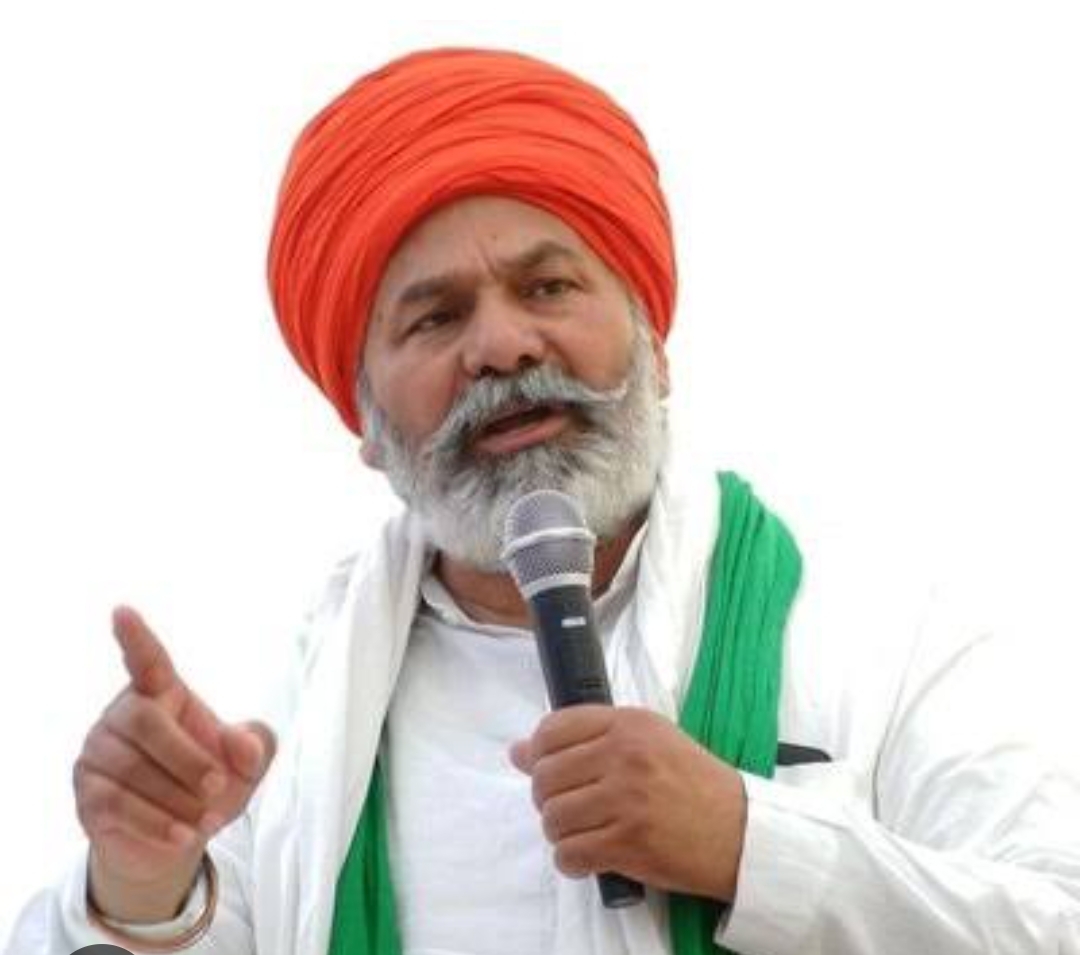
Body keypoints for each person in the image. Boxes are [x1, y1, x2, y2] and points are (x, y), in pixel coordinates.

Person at [6, 46, 1080, 955]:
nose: (504, 345)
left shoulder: (881, 634)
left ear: (655, 346)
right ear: (366, 423)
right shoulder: (293, 729)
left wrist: (750, 844)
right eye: (434, 318)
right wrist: (139, 884)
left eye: (548, 287)